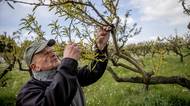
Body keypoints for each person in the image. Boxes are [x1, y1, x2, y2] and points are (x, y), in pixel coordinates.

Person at [16, 26, 111, 106]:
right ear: (35, 67)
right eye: (45, 53)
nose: (53, 53)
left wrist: (100, 47)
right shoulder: (27, 94)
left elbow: (92, 73)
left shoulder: (69, 74)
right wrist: (68, 62)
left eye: (51, 51)